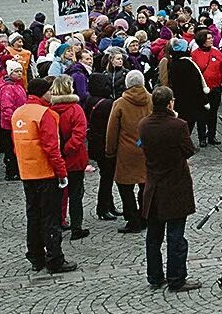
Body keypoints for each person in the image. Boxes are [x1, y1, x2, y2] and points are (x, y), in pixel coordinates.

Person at [138, 86, 201, 292]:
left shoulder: (144, 124)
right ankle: (176, 278)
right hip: (174, 187)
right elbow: (188, 150)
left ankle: (155, 276)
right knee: (175, 235)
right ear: (170, 103)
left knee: (154, 237)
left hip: (154, 187)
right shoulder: (178, 125)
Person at [12, 78, 77, 274]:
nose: (52, 94)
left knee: (33, 215)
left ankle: (35, 256)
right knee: (51, 217)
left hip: (27, 172)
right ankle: (54, 258)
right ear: (42, 92)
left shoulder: (19, 113)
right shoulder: (45, 114)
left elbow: (16, 146)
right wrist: (62, 172)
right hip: (45, 172)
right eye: (49, 90)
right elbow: (52, 147)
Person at [106, 70, 152, 234]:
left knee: (125, 187)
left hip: (127, 151)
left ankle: (133, 219)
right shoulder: (151, 100)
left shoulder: (120, 103)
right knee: (145, 184)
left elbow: (112, 130)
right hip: (147, 149)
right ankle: (145, 216)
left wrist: (110, 151)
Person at [50, 75, 90, 241]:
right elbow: (79, 135)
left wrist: (58, 151)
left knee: (57, 194)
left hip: (56, 158)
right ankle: (76, 227)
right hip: (74, 159)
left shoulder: (50, 110)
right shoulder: (75, 109)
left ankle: (58, 222)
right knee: (76, 194)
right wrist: (67, 150)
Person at [84, 73, 120, 221]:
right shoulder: (107, 103)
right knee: (107, 177)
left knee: (106, 176)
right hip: (105, 144)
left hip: (95, 144)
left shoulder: (89, 101)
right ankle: (103, 207)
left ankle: (109, 205)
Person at [191, 30, 222, 147]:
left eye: (212, 38)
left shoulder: (217, 53)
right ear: (202, 40)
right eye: (209, 38)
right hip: (202, 89)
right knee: (201, 114)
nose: (212, 40)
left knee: (213, 113)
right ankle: (202, 137)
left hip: (215, 88)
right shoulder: (195, 54)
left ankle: (212, 135)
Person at [168, 38, 210, 135]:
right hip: (190, 100)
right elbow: (196, 84)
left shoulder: (173, 62)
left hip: (179, 98)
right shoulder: (187, 63)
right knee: (188, 123)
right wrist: (204, 99)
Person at [0, 60, 27, 180]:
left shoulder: (17, 85)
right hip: (10, 124)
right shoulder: (7, 88)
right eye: (16, 71)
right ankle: (11, 171)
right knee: (10, 149)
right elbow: (6, 108)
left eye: (21, 71)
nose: (19, 73)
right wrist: (13, 121)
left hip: (19, 122)